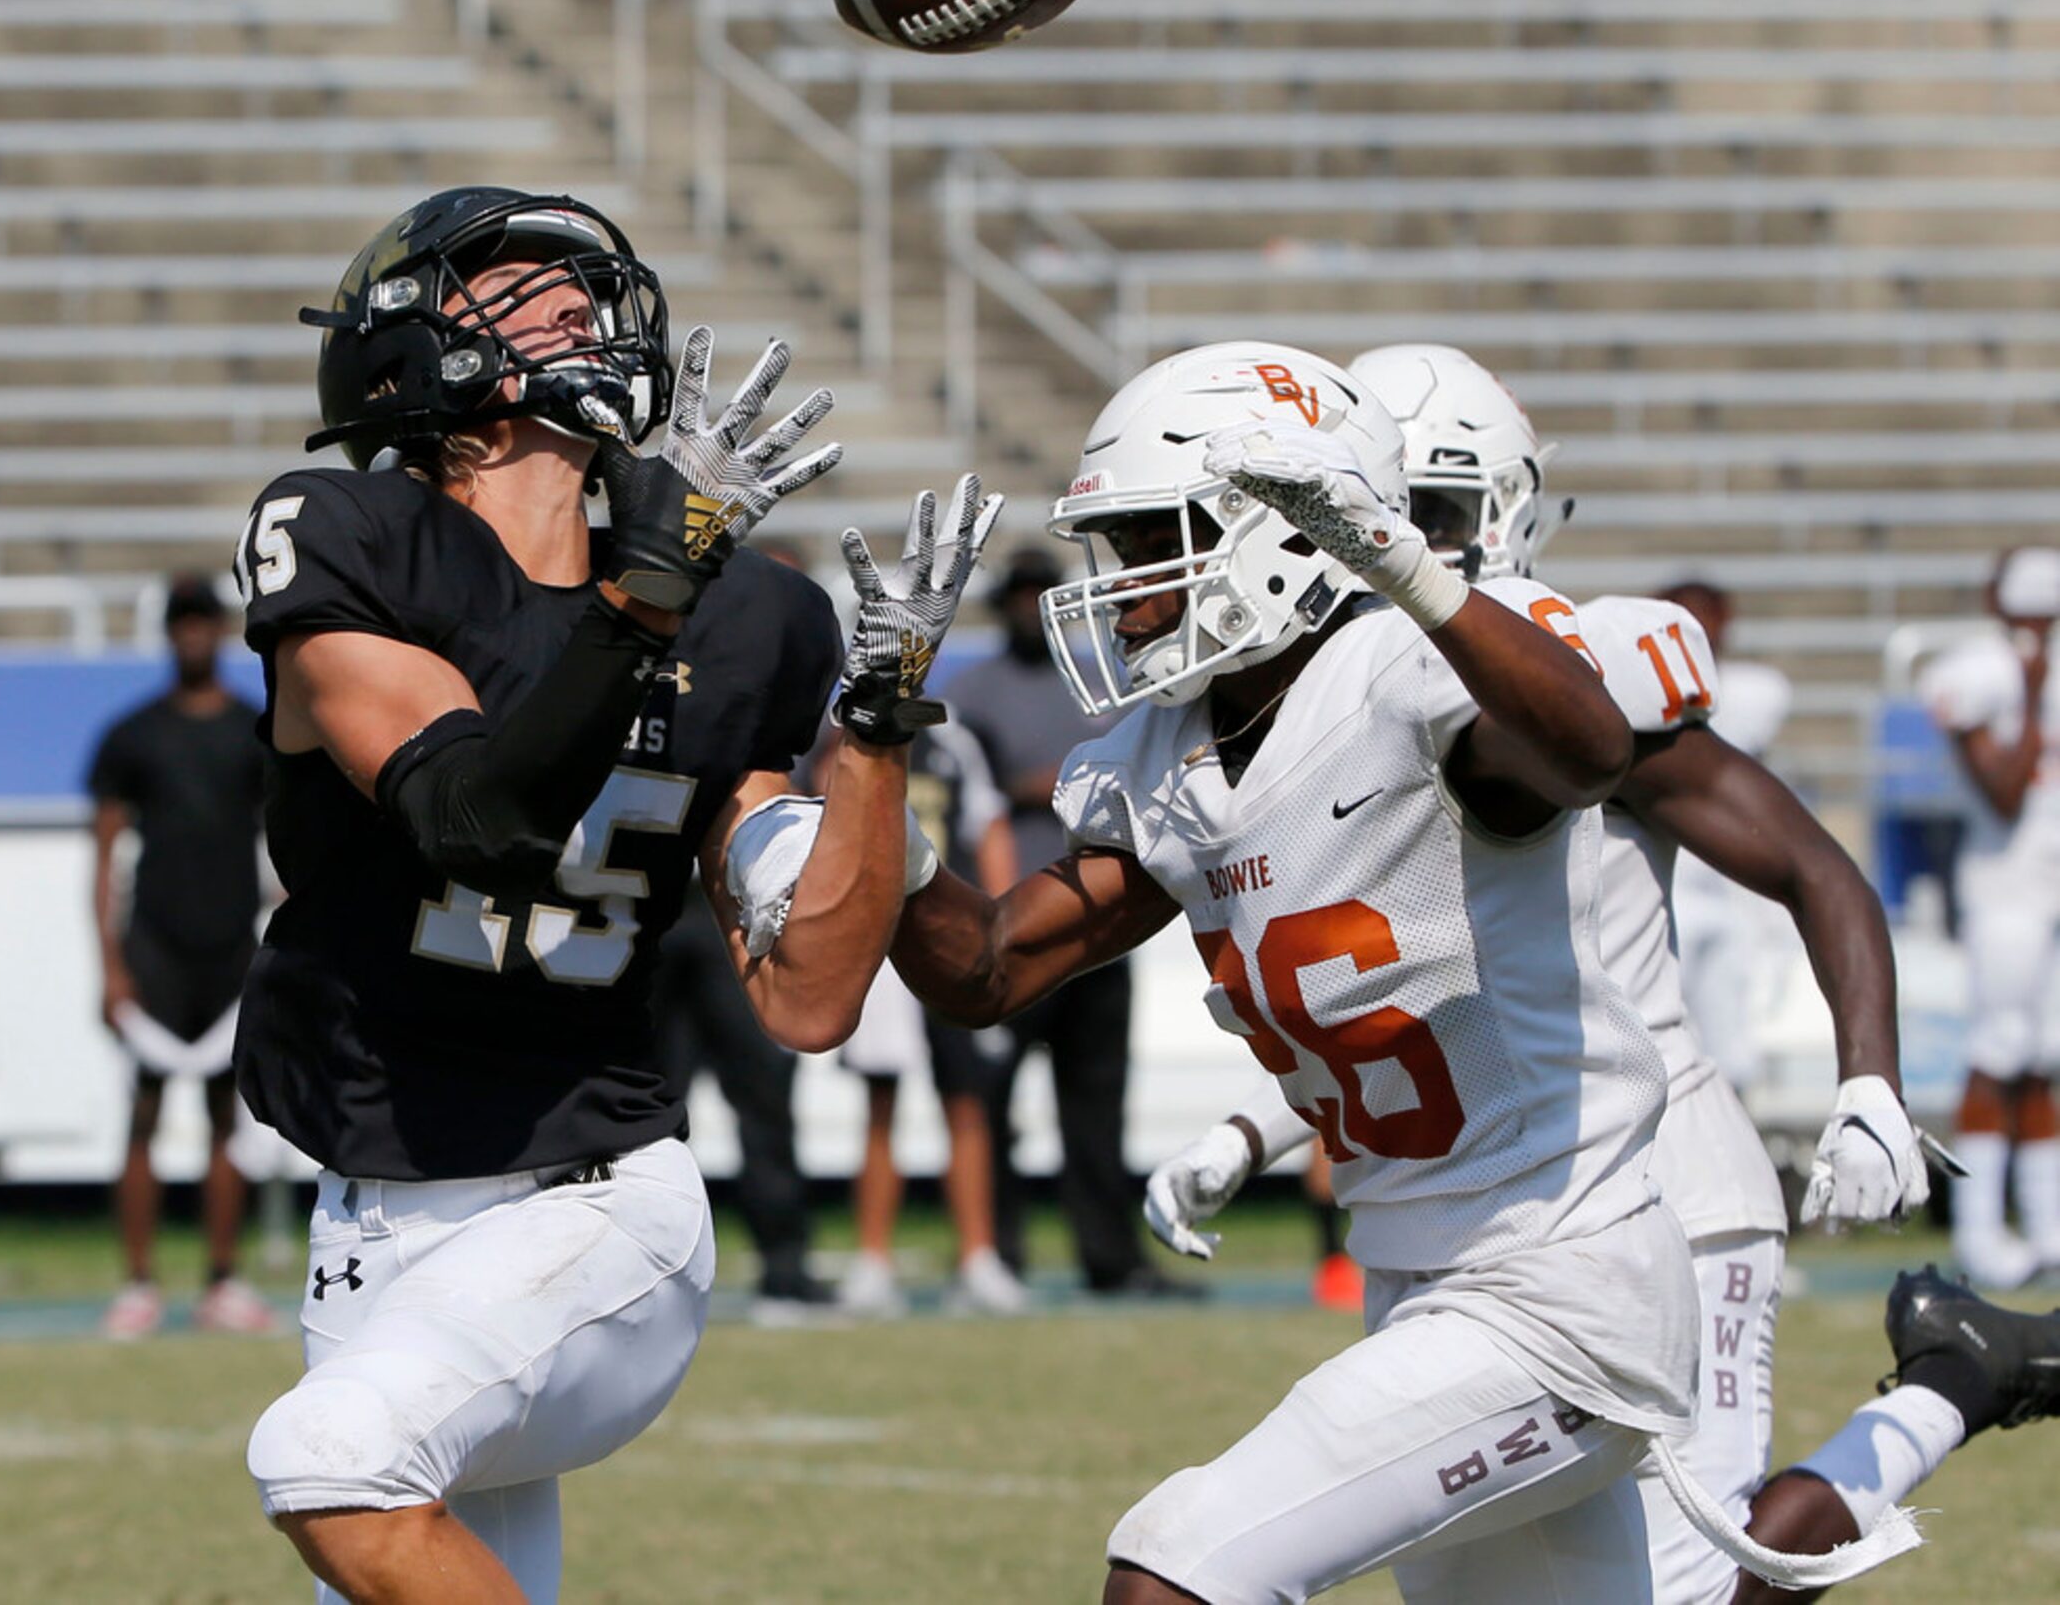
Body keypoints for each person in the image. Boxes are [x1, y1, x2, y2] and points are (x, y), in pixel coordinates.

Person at [880, 341, 1910, 1602]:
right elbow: (985, 968)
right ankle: (1960, 1387)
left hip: (1563, 1278)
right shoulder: (1168, 755)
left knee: (1176, 1565)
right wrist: (876, 746)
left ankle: (1930, 1408)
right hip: (1422, 1274)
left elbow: (1586, 751)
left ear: (1273, 538)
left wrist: (1410, 572)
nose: (1127, 588)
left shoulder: (1421, 677)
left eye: (1157, 541)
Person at [1150, 342, 2057, 1603]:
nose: (1404, 538)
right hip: (1483, 1206)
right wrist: (1252, 1126)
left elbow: (1811, 866)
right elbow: (1392, 985)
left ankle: (1948, 1386)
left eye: (1436, 513)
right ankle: (1960, 1374)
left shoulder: (1567, 682)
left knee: (1699, 1585)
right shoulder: (1330, 709)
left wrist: (1869, 1081)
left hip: (1661, 1177)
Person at [231, 185, 996, 1604]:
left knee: (332, 1456)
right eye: (517, 285)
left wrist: (876, 732)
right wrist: (641, 592)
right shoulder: (350, 537)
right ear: (408, 347)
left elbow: (815, 994)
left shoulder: (745, 611)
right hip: (374, 1210)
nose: (573, 304)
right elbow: (478, 819)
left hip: (593, 1208)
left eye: (581, 284)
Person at [947, 548, 1179, 1297]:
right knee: (990, 1103)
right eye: (1016, 593)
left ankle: (1109, 1258)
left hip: (1098, 924)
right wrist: (1035, 787)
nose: (1026, 606)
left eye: (1038, 593)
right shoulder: (973, 691)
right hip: (1013, 917)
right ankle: (996, 1255)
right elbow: (962, 790)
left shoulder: (1103, 682)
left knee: (1096, 1103)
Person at [88, 572, 273, 1338]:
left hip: (230, 946)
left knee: (225, 1117)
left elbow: (289, 845)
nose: (192, 633)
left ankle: (220, 1282)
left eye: (204, 620)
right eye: (181, 621)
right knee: (143, 1113)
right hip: (155, 947)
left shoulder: (253, 730)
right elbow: (101, 856)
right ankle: (138, 1284)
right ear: (167, 633)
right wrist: (110, 964)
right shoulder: (132, 736)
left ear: (223, 630)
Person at [834, 710, 1026, 1318]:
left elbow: (989, 829)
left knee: (967, 1103)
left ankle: (978, 1256)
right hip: (877, 942)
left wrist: (1001, 928)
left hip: (945, 934)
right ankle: (871, 1259)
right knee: (881, 1104)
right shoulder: (847, 738)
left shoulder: (952, 742)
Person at [1919, 544, 2060, 1288]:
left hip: (2049, 886)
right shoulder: (1976, 672)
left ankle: (2045, 1226)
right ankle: (1978, 1233)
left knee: (2041, 1059)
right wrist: (2032, 695)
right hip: (2002, 887)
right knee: (1995, 1052)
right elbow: (2002, 791)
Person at [649, 887, 833, 1323]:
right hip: (645, 907)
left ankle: (784, 1267)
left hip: (728, 909)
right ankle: (639, 1272)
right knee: (646, 1107)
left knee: (764, 1090)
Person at [1657, 577, 1798, 1094]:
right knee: (1658, 1056)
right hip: (1659, 888)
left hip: (1724, 892)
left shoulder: (1752, 693)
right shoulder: (1634, 692)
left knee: (1731, 1058)